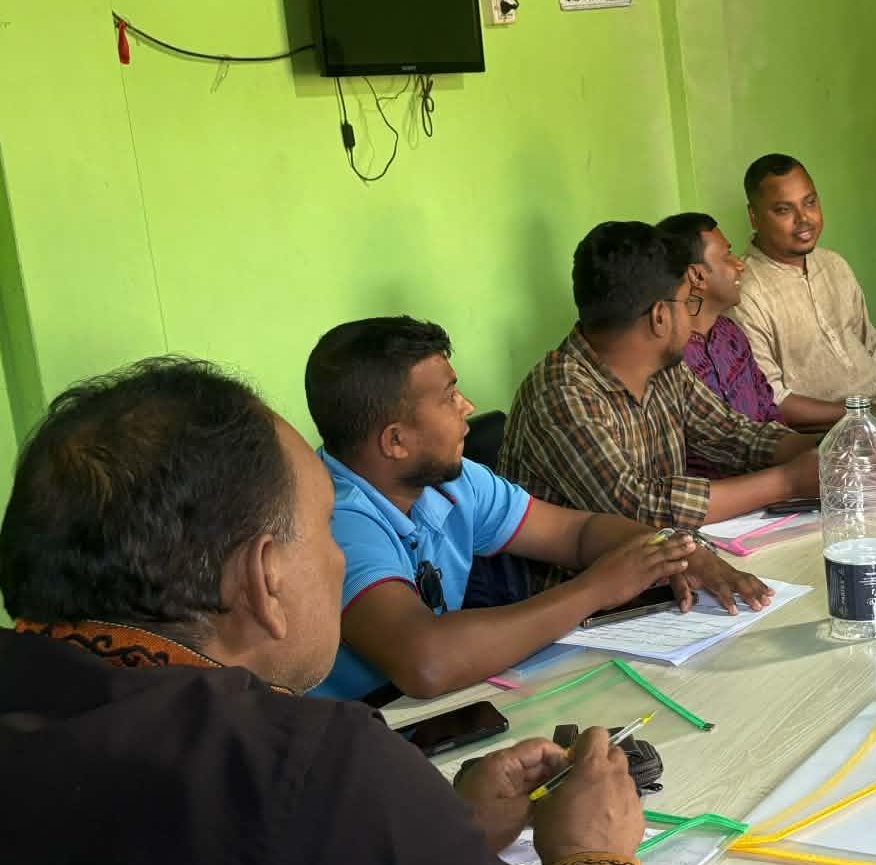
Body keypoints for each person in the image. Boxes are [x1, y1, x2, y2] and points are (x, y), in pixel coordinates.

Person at [0, 360, 652, 865]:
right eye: (325, 528)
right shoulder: (310, 768)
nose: (340, 559)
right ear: (262, 578)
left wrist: (439, 838)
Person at [305, 316, 772, 703]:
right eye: (449, 397)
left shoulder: (451, 481)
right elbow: (426, 661)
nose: (467, 407)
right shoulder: (333, 519)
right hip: (358, 732)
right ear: (395, 441)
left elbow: (575, 533)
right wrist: (595, 589)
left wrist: (672, 549)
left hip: (432, 709)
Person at [503, 221, 821, 541]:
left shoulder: (665, 371)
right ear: (660, 317)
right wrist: (788, 482)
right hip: (600, 570)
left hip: (664, 556)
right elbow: (640, 509)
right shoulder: (560, 394)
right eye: (687, 302)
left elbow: (733, 435)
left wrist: (832, 445)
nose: (690, 317)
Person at [730, 153, 876, 420]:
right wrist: (865, 416)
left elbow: (872, 351)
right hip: (836, 429)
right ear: (754, 217)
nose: (804, 218)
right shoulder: (745, 295)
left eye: (810, 202)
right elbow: (774, 401)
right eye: (784, 210)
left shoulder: (833, 264)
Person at [658, 212, 810, 458]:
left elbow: (769, 409)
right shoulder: (670, 356)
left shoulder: (730, 334)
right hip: (729, 482)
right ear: (697, 276)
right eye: (727, 255)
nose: (740, 265)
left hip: (775, 462)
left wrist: (806, 453)